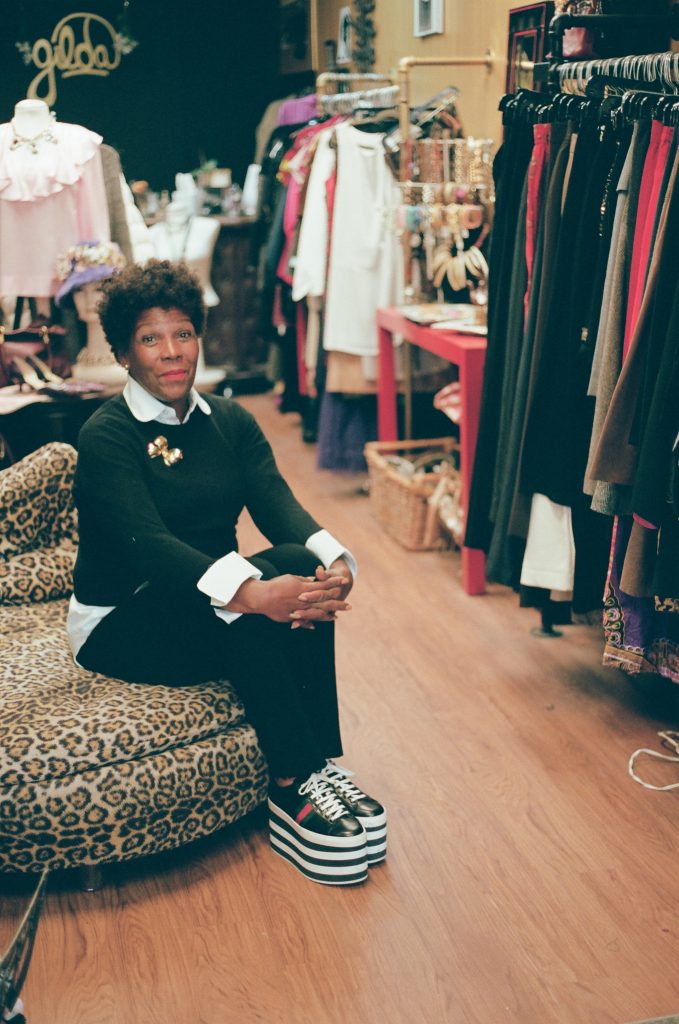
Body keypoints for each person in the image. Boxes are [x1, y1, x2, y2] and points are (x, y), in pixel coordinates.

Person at [67, 259, 386, 886]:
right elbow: (149, 545)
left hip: (201, 595)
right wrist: (253, 593)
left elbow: (275, 500)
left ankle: (318, 761)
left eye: (182, 334)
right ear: (125, 354)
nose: (171, 353)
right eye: (150, 339)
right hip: (122, 619)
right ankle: (291, 783)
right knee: (247, 610)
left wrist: (334, 561)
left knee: (299, 569)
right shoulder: (107, 436)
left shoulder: (228, 421)